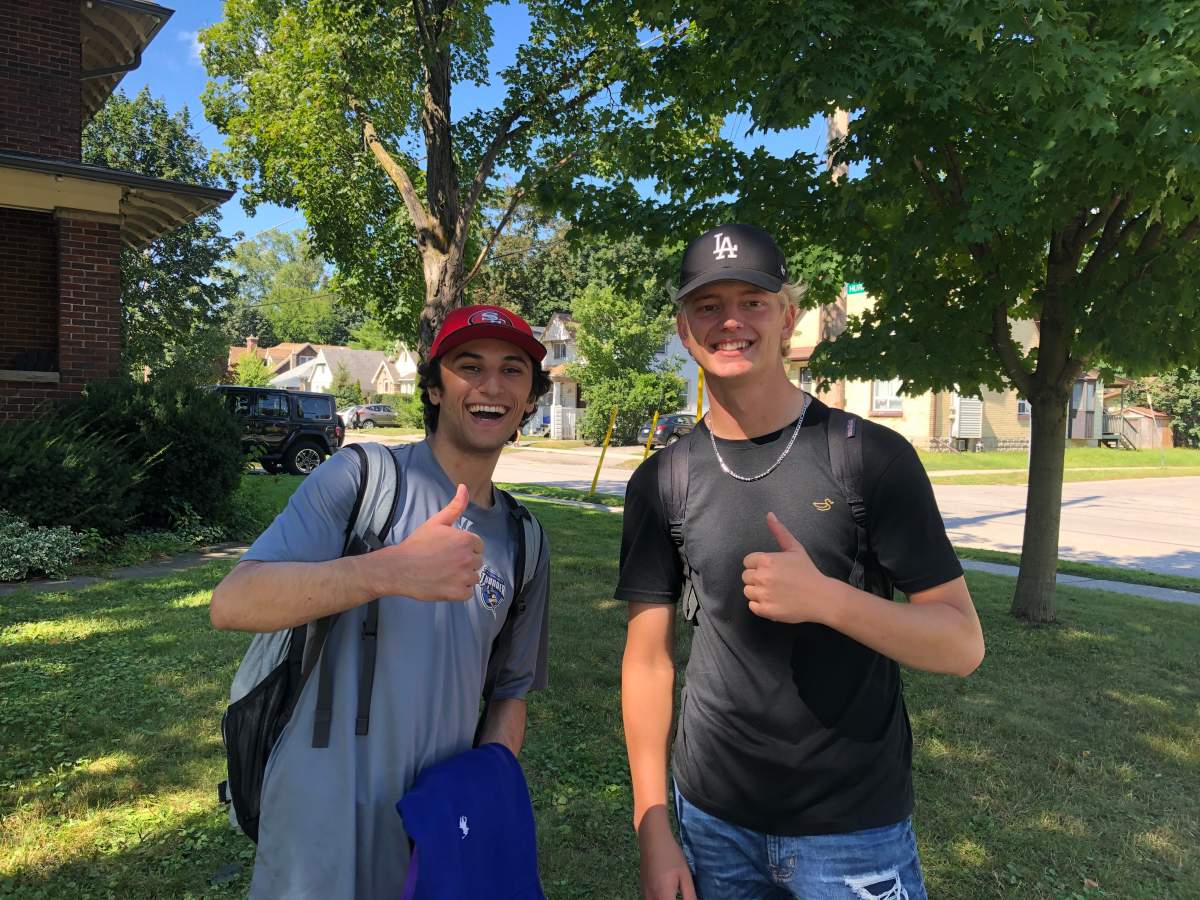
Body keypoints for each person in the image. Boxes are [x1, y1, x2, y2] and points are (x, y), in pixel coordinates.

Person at [617, 224, 986, 900]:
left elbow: (961, 643)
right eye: (708, 305)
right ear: (683, 328)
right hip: (712, 822)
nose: (730, 321)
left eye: (752, 301)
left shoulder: (870, 457)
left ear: (788, 316)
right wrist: (653, 826)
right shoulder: (662, 480)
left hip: (854, 831)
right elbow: (648, 660)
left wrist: (829, 601)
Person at [210, 304, 554, 899]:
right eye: (468, 366)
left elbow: (510, 692)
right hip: (317, 817)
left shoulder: (526, 540)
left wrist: (477, 801)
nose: (491, 386)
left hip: (434, 823)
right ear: (433, 387)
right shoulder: (362, 478)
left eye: (513, 371)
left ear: (530, 399)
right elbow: (234, 602)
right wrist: (387, 570)